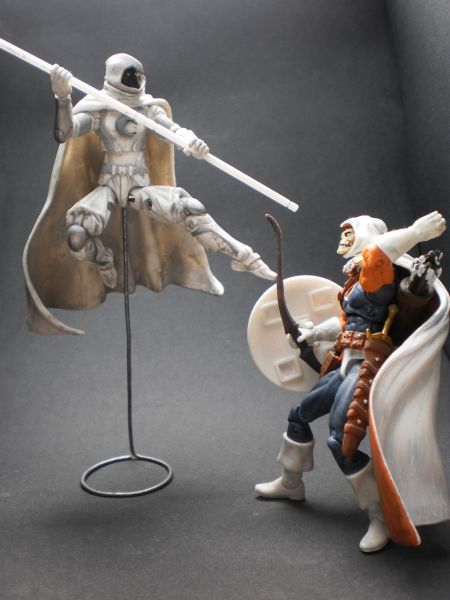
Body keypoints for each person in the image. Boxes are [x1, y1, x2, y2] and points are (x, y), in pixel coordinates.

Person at [23, 54, 275, 335]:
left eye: (138, 76)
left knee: (190, 208)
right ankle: (104, 260)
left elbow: (172, 131)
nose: (135, 81)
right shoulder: (99, 108)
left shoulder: (147, 109)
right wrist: (62, 97)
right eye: (130, 76)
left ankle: (244, 257)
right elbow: (66, 132)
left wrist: (191, 141)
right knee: (77, 236)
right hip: (108, 190)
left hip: (137, 192)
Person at [254, 211, 448, 552]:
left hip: (365, 366)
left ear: (366, 235)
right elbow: (347, 324)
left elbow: (380, 251)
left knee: (340, 440)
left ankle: (378, 514)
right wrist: (316, 333)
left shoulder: (376, 272)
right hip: (346, 361)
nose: (342, 240)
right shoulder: (357, 280)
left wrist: (416, 232)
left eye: (349, 234)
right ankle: (291, 482)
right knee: (299, 415)